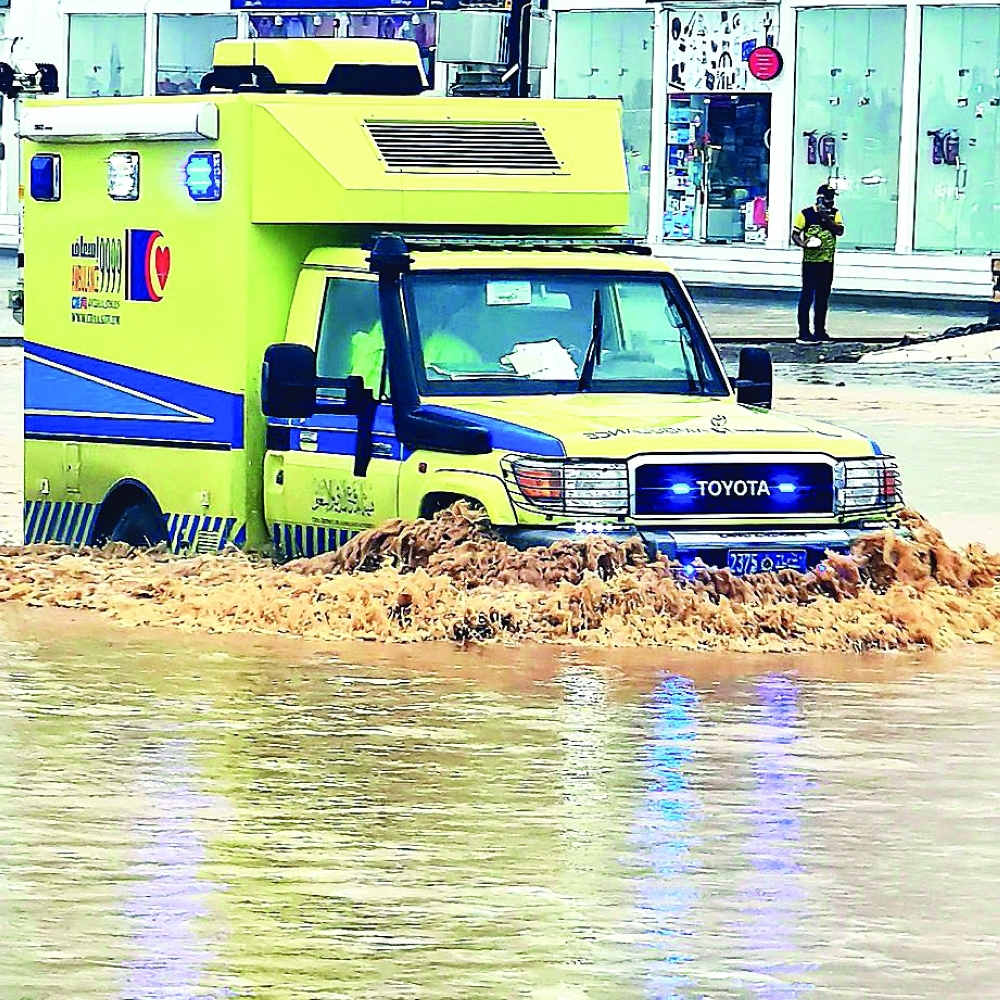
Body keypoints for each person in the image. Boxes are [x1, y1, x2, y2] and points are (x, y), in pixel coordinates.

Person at [792, 184, 845, 343]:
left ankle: (820, 331)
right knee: (807, 296)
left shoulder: (835, 214)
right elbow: (795, 234)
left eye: (832, 198)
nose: (830, 201)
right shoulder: (805, 214)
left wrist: (825, 216)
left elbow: (839, 231)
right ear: (820, 197)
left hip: (827, 261)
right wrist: (803, 244)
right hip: (810, 262)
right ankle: (804, 332)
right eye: (827, 198)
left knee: (823, 297)